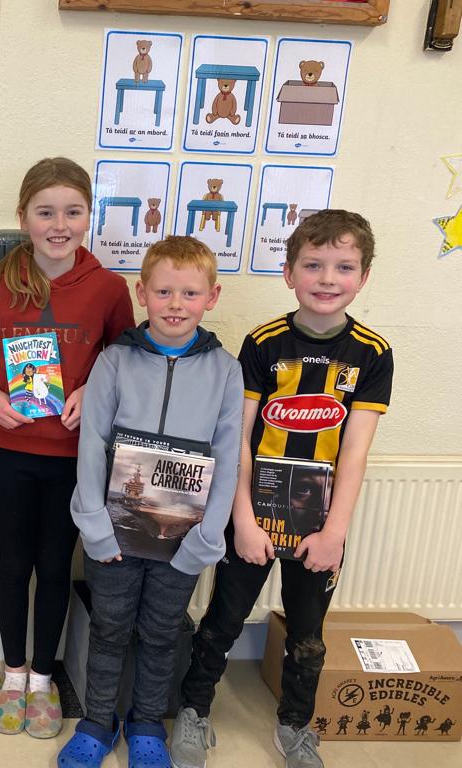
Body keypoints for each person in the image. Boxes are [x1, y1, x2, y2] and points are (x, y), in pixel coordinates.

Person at [170, 210, 394, 768]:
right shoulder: (263, 343)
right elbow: (237, 439)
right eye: (313, 265)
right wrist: (243, 520)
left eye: (344, 267)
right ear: (289, 272)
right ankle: (195, 710)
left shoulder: (372, 353)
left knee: (308, 636)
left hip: (319, 522)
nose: (327, 278)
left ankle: (294, 726)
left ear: (364, 277)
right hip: (255, 511)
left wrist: (334, 533)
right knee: (222, 620)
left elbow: (355, 452)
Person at [59, 236, 242, 768]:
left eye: (190, 293)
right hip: (113, 535)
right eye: (163, 292)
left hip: (183, 541)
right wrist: (95, 526)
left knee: (162, 634)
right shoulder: (114, 360)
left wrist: (207, 539)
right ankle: (97, 721)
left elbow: (229, 456)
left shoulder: (226, 371)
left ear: (212, 297)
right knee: (110, 629)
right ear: (141, 293)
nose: (175, 304)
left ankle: (146, 725)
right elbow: (91, 443)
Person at [0, 157, 135, 738]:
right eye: (46, 212)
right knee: (13, 563)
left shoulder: (109, 288)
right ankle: (12, 673)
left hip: (74, 455)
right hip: (12, 448)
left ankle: (43, 677)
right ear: (23, 217)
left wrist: (92, 390)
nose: (59, 225)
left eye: (73, 212)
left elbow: (125, 360)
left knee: (54, 565)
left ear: (90, 216)